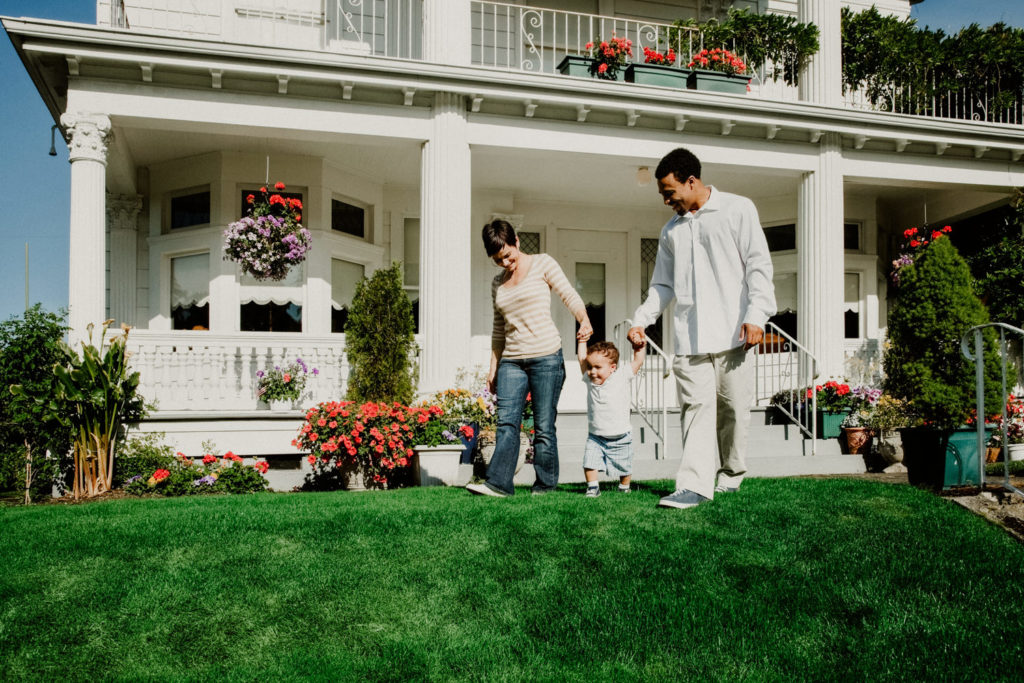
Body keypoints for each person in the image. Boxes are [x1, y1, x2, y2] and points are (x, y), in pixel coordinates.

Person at [628, 147, 776, 510]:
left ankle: (731, 474)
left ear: (691, 182)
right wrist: (642, 319)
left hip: (734, 335)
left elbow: (759, 266)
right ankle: (693, 484)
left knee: (734, 411)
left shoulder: (738, 209)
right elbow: (662, 286)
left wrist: (756, 315)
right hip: (690, 338)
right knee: (695, 409)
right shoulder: (670, 232)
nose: (666, 200)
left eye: (669, 192)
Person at [467, 219, 593, 497]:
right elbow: (499, 329)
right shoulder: (497, 284)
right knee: (506, 423)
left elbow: (568, 294)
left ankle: (545, 485)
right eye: (498, 260)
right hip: (512, 360)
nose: (506, 263)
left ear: (517, 242)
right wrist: (493, 368)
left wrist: (583, 319)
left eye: (508, 255)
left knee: (543, 425)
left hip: (546, 356)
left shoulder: (542, 263)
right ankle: (499, 484)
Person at [577, 339, 645, 497]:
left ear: (613, 367)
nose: (592, 371)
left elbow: (638, 361)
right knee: (589, 461)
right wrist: (582, 341)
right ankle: (593, 487)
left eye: (598, 367)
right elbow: (582, 359)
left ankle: (624, 486)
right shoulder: (590, 380)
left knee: (624, 465)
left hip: (621, 435)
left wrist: (639, 346)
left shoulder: (621, 376)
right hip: (596, 436)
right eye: (590, 367)